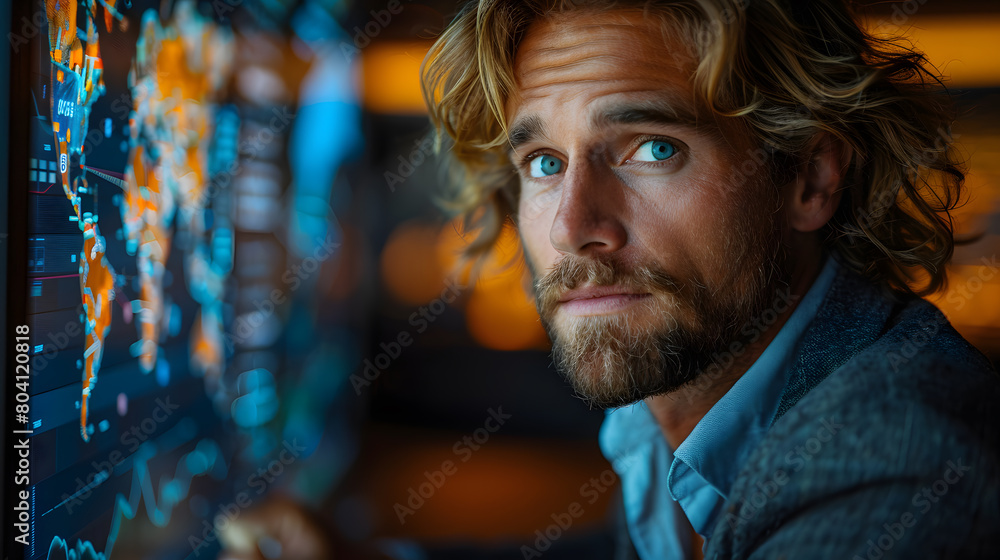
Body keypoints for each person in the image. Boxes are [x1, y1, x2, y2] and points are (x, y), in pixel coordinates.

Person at [221, 1, 1000, 558]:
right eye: (545, 164)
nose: (572, 225)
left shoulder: (890, 464)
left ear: (809, 179)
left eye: (650, 149)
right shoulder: (699, 418)